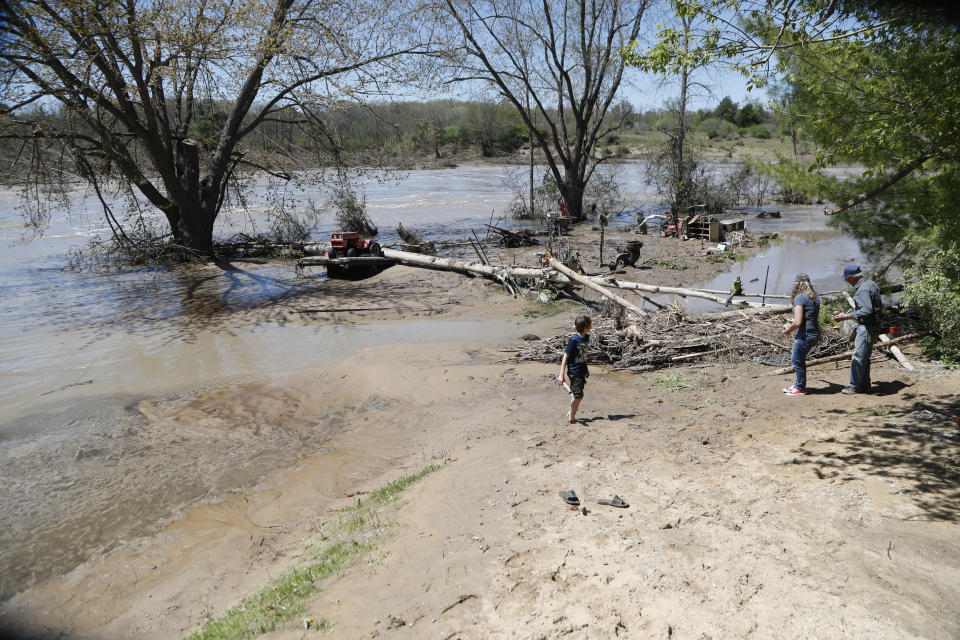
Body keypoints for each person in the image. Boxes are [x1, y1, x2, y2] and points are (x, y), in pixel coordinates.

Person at [833, 264, 883, 394]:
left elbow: (867, 310)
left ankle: (853, 386)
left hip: (866, 327)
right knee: (865, 357)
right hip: (874, 326)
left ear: (852, 277)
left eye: (846, 278)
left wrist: (846, 316)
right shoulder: (871, 283)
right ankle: (865, 385)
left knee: (858, 356)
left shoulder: (862, 290)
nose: (846, 281)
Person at [781, 273, 821, 396]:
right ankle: (798, 384)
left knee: (797, 360)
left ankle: (800, 388)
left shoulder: (800, 297)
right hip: (814, 333)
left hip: (805, 334)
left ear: (797, 284)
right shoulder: (815, 297)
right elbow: (807, 317)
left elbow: (798, 322)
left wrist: (788, 330)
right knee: (799, 359)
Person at [558, 315, 591, 424]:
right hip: (574, 372)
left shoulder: (586, 338)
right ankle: (571, 418)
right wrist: (561, 375)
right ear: (585, 327)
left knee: (578, 394)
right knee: (579, 396)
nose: (591, 326)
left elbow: (583, 355)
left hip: (581, 371)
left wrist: (586, 369)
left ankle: (570, 411)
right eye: (590, 325)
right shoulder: (574, 340)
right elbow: (565, 357)